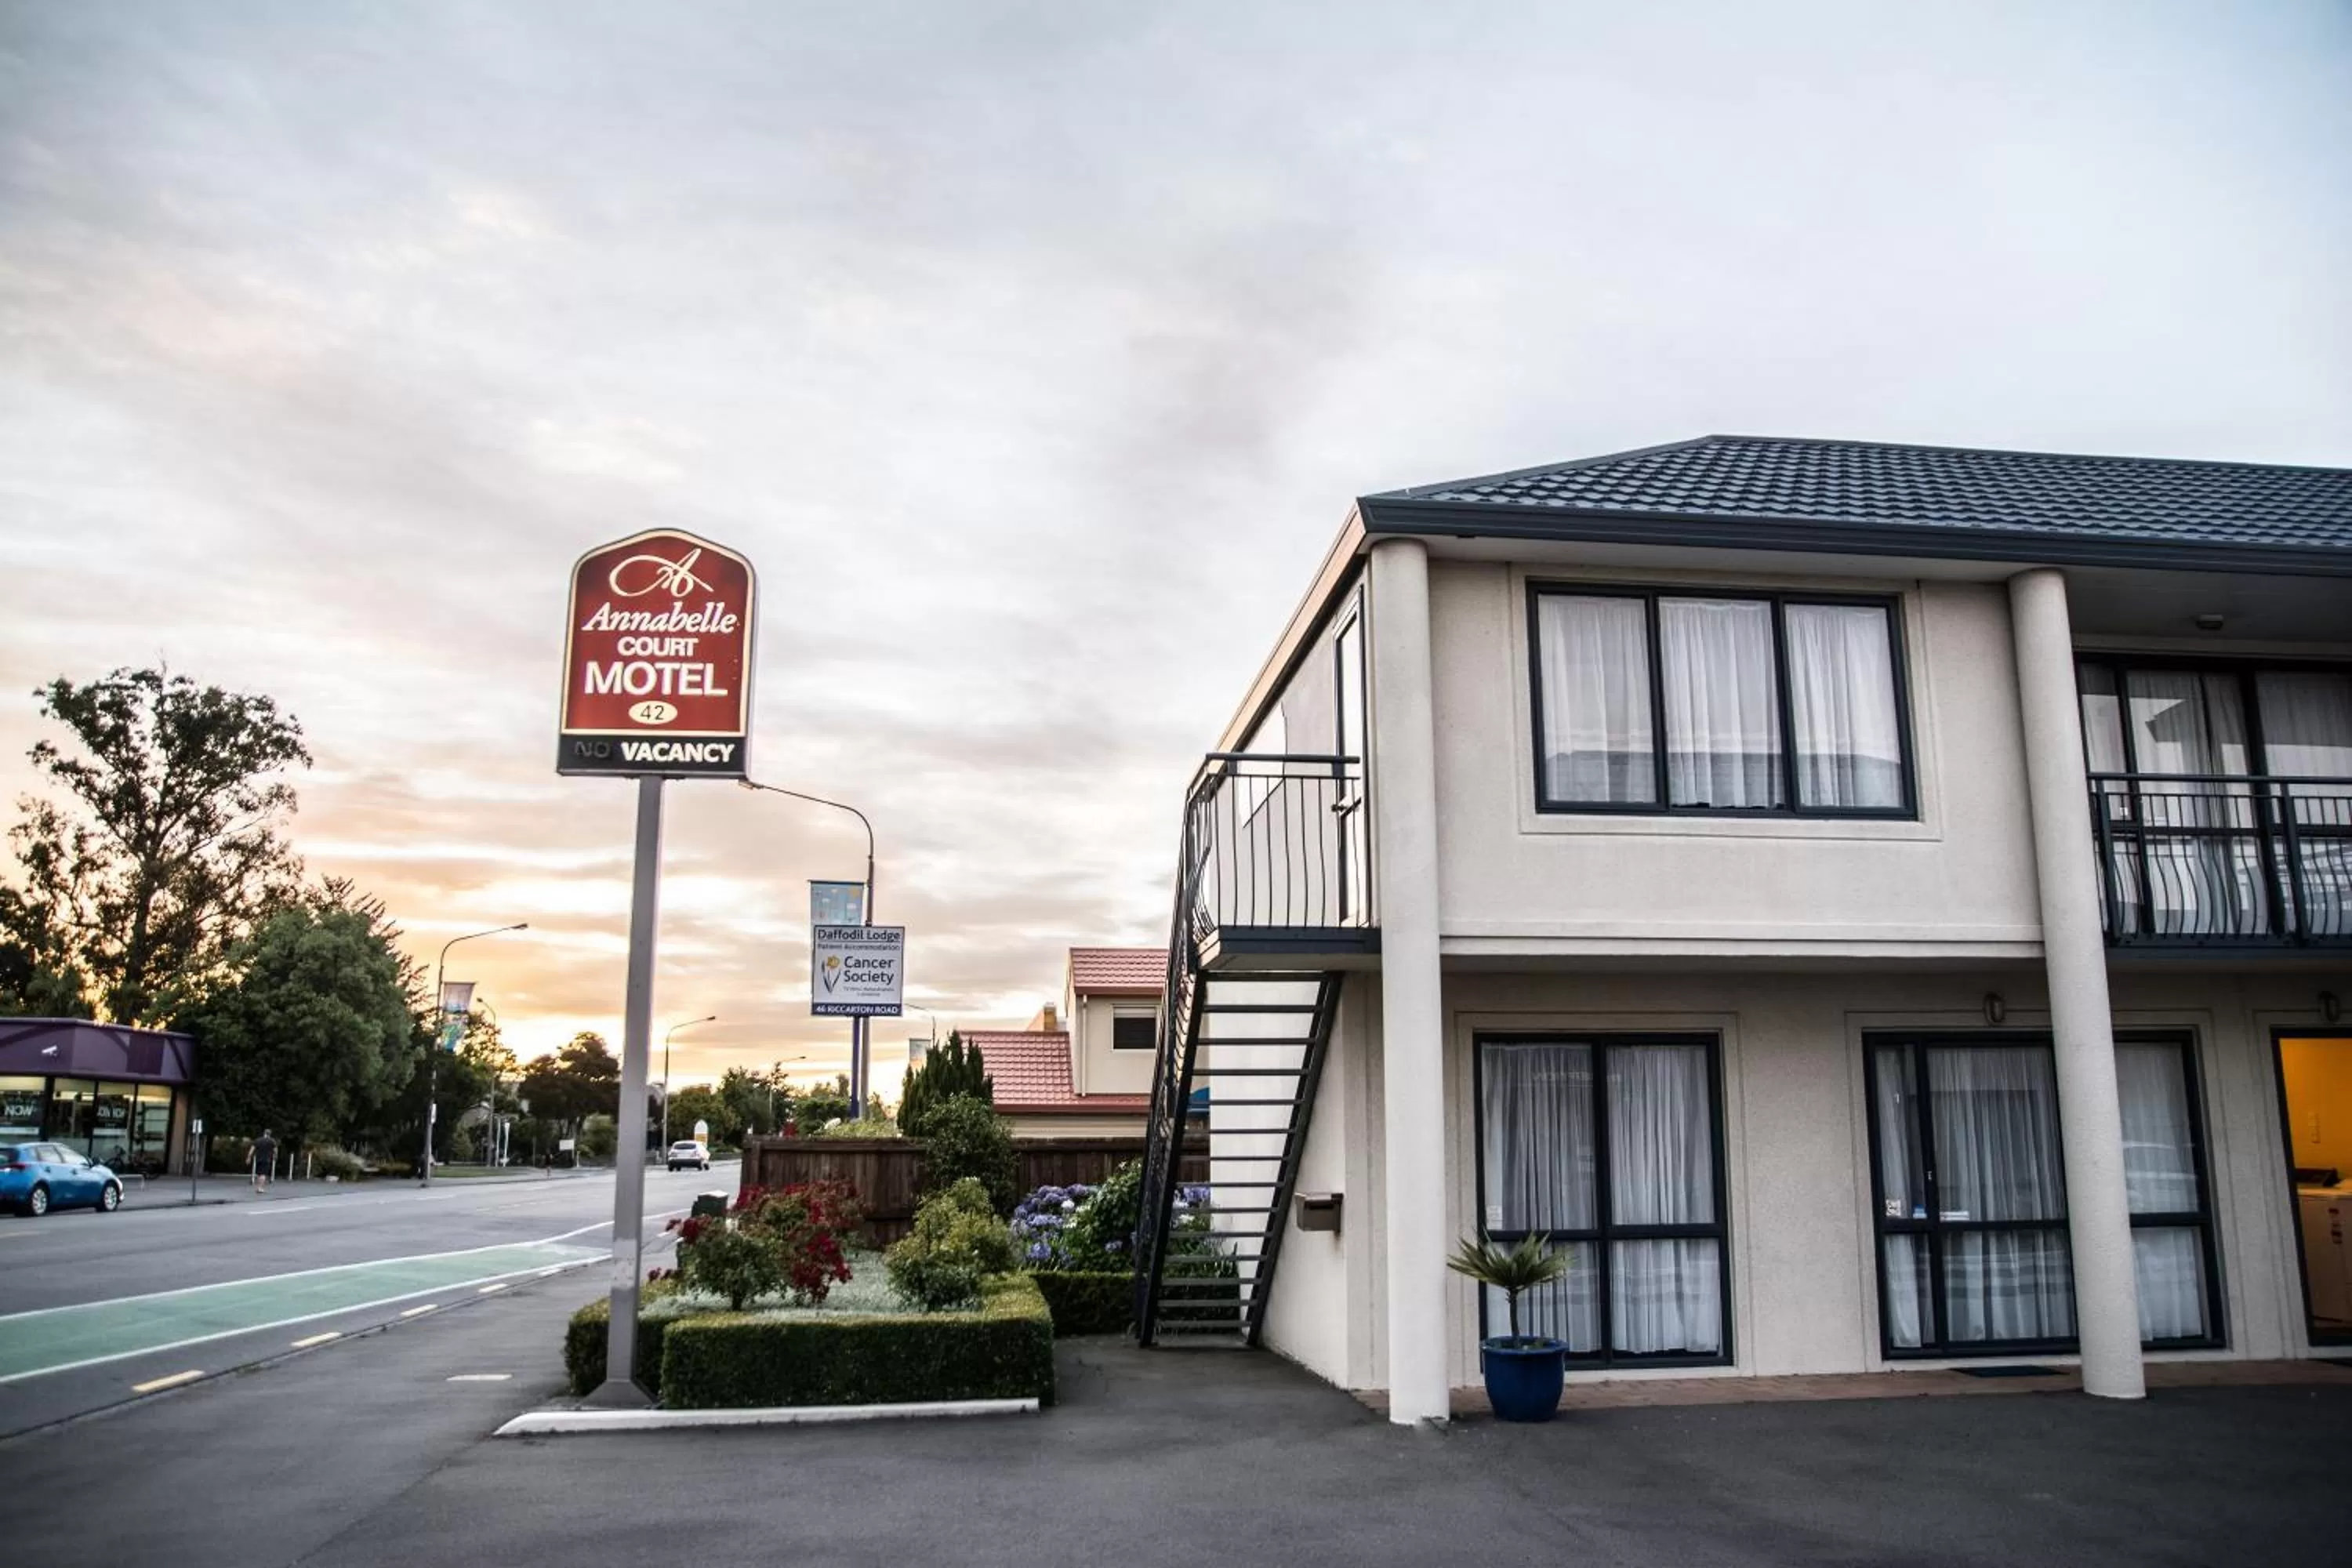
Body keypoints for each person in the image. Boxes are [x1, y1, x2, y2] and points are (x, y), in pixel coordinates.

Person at [251, 1128, 278, 1192]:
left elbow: (252, 1149)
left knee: (259, 1174)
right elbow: (275, 1150)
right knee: (263, 1174)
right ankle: (260, 1188)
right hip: (266, 1159)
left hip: (258, 1159)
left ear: (264, 1133)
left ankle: (258, 1187)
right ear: (270, 1134)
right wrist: (275, 1156)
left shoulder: (258, 1140)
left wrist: (249, 1157)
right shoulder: (272, 1141)